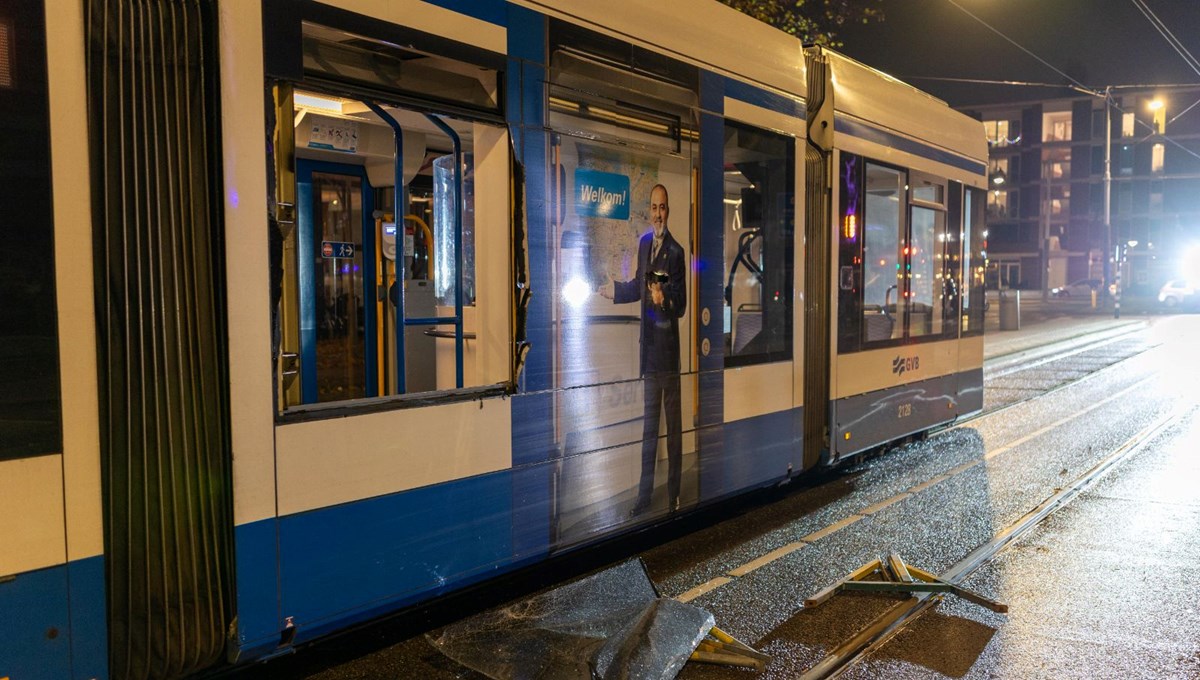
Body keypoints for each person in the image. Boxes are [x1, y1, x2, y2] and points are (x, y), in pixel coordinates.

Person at [599, 184, 686, 514]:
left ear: (668, 211)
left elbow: (682, 305)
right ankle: (644, 497)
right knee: (650, 429)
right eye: (653, 207)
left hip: (669, 354)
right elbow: (639, 284)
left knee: (674, 431)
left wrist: (666, 300)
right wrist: (614, 291)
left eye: (662, 207)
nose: (657, 213)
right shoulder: (645, 244)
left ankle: (674, 495)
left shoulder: (676, 252)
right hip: (649, 352)